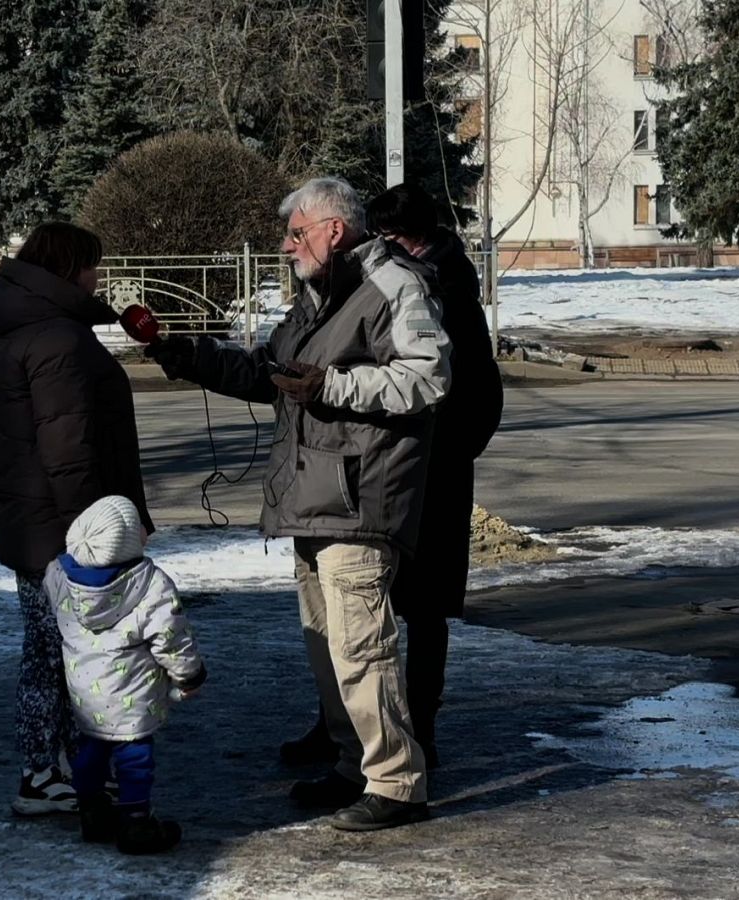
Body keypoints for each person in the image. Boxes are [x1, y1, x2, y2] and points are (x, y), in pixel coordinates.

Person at [146, 177, 449, 831]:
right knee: (329, 645)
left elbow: (429, 376)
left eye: (296, 232)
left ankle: (397, 783)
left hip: (360, 497)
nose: (286, 246)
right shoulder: (319, 295)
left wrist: (334, 384)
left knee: (362, 644)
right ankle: (353, 766)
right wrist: (193, 358)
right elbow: (273, 374)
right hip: (312, 496)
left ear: (332, 231)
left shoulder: (395, 283)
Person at [280, 184, 504, 771]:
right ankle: (343, 730)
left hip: (430, 470)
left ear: (416, 238)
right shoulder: (370, 283)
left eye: (391, 237)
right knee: (354, 616)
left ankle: (417, 731)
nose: (379, 245)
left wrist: (438, 451)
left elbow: (463, 389)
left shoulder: (436, 292)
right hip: (382, 466)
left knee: (420, 610)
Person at [0, 222, 154, 816]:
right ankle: (46, 774)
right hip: (62, 530)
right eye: (92, 266)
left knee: (51, 649)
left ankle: (62, 768)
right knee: (63, 653)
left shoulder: (25, 326)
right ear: (70, 267)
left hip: (32, 520)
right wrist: (95, 538)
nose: (97, 277)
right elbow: (69, 449)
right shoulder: (55, 338)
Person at [44, 495, 206, 854]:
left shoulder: (58, 576)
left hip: (86, 692)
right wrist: (189, 675)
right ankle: (135, 822)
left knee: (91, 749)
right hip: (133, 694)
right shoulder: (150, 584)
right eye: (138, 530)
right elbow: (171, 638)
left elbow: (54, 604)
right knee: (135, 756)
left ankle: (93, 810)